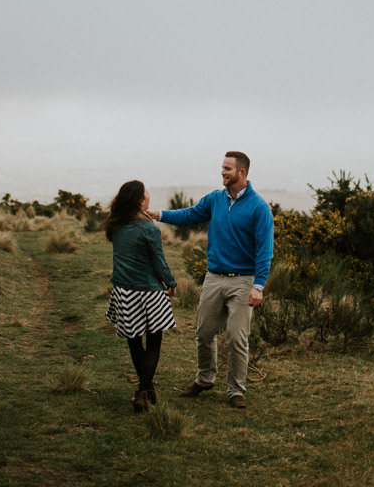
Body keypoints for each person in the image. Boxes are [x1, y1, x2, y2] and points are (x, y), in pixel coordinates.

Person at [147, 151, 273, 409]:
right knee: (204, 333)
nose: (223, 172)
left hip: (244, 281)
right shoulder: (215, 199)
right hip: (214, 278)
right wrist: (156, 214)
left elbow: (264, 250)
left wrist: (258, 286)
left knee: (237, 338)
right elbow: (189, 216)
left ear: (242, 173)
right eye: (222, 168)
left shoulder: (259, 208)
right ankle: (205, 379)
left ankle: (236, 391)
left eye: (228, 168)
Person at [103, 179, 177, 412]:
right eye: (146, 195)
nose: (149, 198)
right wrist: (171, 283)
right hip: (149, 293)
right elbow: (159, 263)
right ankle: (141, 392)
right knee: (154, 342)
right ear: (139, 201)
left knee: (134, 342)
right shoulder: (149, 229)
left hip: (123, 291)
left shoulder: (116, 226)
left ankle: (147, 388)